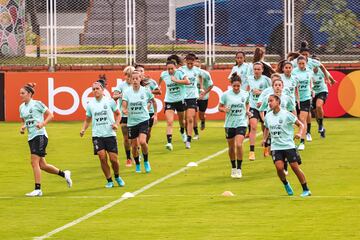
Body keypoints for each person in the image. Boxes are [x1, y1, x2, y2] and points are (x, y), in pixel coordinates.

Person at [19, 83, 72, 197]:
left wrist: (43, 123)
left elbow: (50, 115)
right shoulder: (21, 107)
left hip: (40, 135)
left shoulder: (37, 104)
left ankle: (38, 189)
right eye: (20, 93)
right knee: (42, 165)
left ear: (29, 94)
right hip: (31, 137)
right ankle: (64, 174)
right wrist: (23, 127)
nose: (21, 95)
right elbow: (24, 121)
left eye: (23, 93)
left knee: (34, 162)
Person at [263, 94, 311, 197]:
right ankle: (286, 184)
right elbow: (266, 128)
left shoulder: (287, 114)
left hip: (289, 145)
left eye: (271, 101)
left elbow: (301, 125)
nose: (269, 103)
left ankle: (306, 189)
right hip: (276, 147)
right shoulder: (268, 116)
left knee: (294, 167)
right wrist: (264, 139)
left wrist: (299, 133)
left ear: (278, 102)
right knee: (279, 168)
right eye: (268, 101)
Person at [80, 79, 125, 188]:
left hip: (110, 134)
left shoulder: (109, 101)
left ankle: (117, 176)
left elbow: (119, 115)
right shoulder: (90, 104)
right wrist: (83, 129)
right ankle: (109, 180)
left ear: (102, 90)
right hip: (97, 135)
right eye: (93, 89)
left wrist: (116, 124)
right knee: (101, 156)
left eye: (97, 89)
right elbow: (88, 119)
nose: (95, 91)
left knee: (114, 159)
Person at [122, 70, 157, 173]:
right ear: (131, 80)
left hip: (143, 120)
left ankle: (146, 161)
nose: (135, 80)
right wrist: (124, 110)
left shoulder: (145, 91)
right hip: (132, 122)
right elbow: (124, 105)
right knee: (134, 146)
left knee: (142, 142)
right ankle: (137, 164)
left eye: (137, 78)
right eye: (133, 79)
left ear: (140, 79)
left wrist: (155, 114)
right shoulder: (127, 92)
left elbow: (153, 101)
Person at [218, 73, 251, 178]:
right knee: (231, 147)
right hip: (229, 124)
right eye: (234, 86)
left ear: (241, 84)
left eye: (238, 86)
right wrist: (224, 109)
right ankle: (233, 167)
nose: (236, 88)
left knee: (239, 145)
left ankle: (239, 168)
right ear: (231, 85)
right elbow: (220, 107)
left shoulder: (245, 94)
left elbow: (247, 103)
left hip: (241, 122)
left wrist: (247, 111)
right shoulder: (225, 95)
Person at [159, 61, 190, 151]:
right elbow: (161, 78)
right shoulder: (164, 74)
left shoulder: (180, 73)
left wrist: (176, 80)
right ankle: (169, 143)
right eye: (168, 69)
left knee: (182, 121)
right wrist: (158, 86)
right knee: (170, 122)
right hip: (169, 101)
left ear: (175, 67)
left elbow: (187, 82)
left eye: (172, 68)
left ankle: (182, 131)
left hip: (180, 100)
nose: (170, 70)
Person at [247, 62, 271, 160]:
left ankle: (266, 146)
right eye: (255, 69)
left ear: (262, 70)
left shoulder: (266, 80)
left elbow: (271, 91)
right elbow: (247, 90)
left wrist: (260, 92)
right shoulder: (249, 79)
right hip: (253, 106)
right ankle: (251, 151)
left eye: (258, 69)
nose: (256, 71)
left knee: (265, 126)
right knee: (253, 126)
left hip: (264, 106)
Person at [180, 54, 203, 149]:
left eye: (191, 63)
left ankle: (188, 140)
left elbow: (203, 76)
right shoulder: (181, 70)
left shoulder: (197, 70)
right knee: (183, 120)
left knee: (190, 118)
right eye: (188, 63)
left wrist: (202, 89)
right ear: (185, 62)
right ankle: (183, 131)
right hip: (182, 97)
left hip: (192, 97)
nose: (190, 65)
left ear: (194, 62)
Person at [113, 66, 134, 167]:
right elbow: (114, 96)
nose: (129, 78)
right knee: (126, 138)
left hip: (135, 114)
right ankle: (128, 158)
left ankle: (136, 152)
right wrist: (122, 95)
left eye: (131, 76)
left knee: (135, 138)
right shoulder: (121, 85)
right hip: (124, 114)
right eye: (127, 76)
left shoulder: (137, 84)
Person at [135, 64, 162, 143]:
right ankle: (137, 148)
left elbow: (159, 91)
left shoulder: (150, 82)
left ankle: (144, 145)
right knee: (136, 133)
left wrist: (148, 92)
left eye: (142, 71)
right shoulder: (134, 82)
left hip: (149, 111)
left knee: (147, 132)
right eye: (138, 71)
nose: (140, 72)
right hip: (138, 111)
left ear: (144, 72)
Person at [293, 56, 313, 150]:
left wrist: (311, 90)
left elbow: (310, 82)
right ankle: (292, 141)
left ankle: (302, 142)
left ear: (306, 63)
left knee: (302, 119)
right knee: (295, 120)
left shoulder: (309, 71)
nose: (301, 65)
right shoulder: (294, 72)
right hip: (295, 99)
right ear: (297, 64)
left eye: (303, 63)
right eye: (299, 63)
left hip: (306, 98)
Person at [194, 58, 214, 137]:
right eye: (195, 64)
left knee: (201, 114)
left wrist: (204, 93)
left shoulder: (205, 74)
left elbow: (211, 85)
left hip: (203, 97)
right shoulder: (189, 74)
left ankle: (203, 120)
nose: (196, 66)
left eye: (198, 65)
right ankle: (195, 133)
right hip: (193, 97)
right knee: (192, 114)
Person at [311, 57, 331, 138]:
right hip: (312, 93)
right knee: (315, 111)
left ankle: (321, 125)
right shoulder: (309, 72)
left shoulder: (322, 71)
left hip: (322, 91)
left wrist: (331, 81)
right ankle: (321, 128)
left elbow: (329, 76)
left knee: (319, 106)